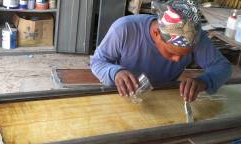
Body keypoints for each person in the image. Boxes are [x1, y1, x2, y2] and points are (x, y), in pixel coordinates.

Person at [90, 0, 232, 102]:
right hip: (123, 95)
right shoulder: (125, 29)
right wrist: (115, 72)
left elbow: (223, 67)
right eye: (172, 52)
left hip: (164, 95)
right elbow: (97, 61)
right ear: (157, 34)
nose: (177, 60)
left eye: (184, 54)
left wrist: (204, 81)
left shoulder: (194, 36)